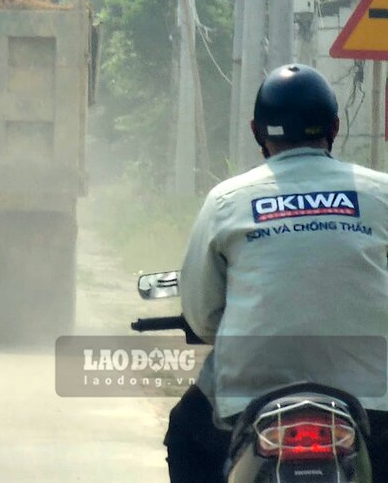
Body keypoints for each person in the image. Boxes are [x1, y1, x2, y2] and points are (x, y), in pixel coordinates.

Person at [164, 63, 388, 481]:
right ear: (335, 127)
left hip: (249, 398)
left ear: (256, 131)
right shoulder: (382, 194)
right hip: (373, 398)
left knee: (185, 434)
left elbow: (202, 314)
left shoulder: (227, 200)